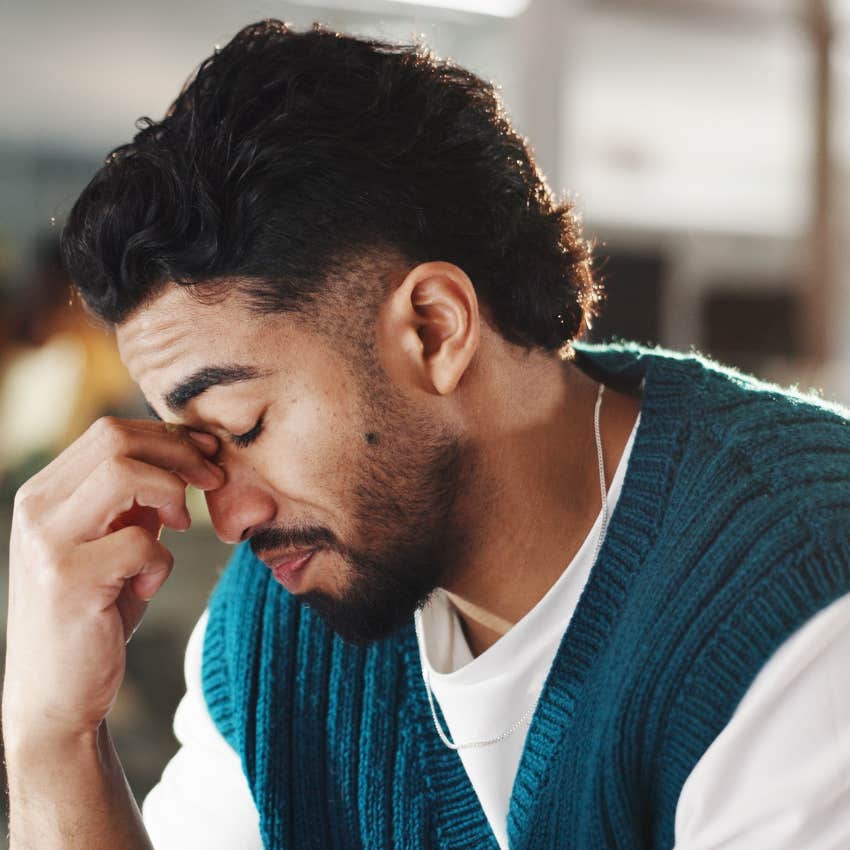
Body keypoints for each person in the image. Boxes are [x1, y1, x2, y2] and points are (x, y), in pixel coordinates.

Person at [4, 19, 850, 850]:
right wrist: (53, 739)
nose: (230, 520)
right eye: (204, 454)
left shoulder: (800, 588)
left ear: (436, 330)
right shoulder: (282, 625)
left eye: (244, 425)